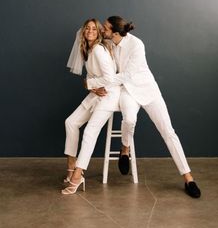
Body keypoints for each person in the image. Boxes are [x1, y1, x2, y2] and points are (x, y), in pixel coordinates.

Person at [86, 16, 201, 198]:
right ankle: (125, 148)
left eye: (105, 28)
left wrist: (92, 83)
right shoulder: (109, 45)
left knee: (168, 132)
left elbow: (126, 75)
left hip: (148, 90)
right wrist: (93, 81)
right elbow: (106, 67)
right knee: (130, 119)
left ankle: (188, 178)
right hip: (127, 92)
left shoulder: (137, 45)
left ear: (115, 33)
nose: (102, 30)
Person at [61, 18, 120, 195]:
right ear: (83, 32)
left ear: (99, 32)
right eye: (87, 28)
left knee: (89, 132)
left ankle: (78, 176)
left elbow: (110, 78)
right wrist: (92, 87)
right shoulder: (89, 50)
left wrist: (89, 83)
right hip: (97, 94)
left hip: (109, 95)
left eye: (94, 28)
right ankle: (71, 166)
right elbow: (96, 79)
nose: (90, 31)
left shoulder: (99, 50)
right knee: (71, 122)